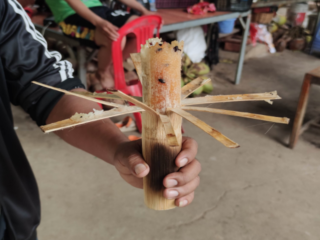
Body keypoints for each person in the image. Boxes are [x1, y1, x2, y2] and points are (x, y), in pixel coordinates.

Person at [0, 1, 201, 240]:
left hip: (9, 221)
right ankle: (105, 73)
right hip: (79, 21)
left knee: (130, 27)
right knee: (113, 34)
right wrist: (98, 22)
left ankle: (107, 72)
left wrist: (119, 149)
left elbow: (48, 88)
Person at [45, 0, 153, 90]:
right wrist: (99, 22)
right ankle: (102, 72)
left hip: (99, 9)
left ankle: (112, 66)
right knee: (114, 37)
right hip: (70, 15)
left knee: (143, 27)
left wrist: (144, 10)